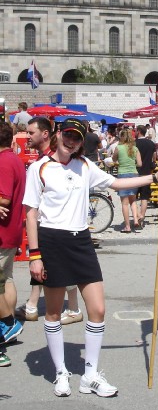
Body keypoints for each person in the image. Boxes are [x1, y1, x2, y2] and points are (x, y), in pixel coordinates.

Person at [23, 118, 158, 397]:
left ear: (82, 141)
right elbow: (31, 212)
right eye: (67, 135)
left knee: (98, 309)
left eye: (77, 138)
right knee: (53, 312)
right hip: (52, 241)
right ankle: (61, 372)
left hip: (81, 242)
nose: (71, 141)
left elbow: (116, 182)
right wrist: (35, 255)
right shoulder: (38, 168)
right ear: (57, 135)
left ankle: (90, 375)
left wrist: (153, 177)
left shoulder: (86, 166)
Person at [15, 117, 83, 325]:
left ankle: (68, 307)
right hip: (49, 228)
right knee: (43, 264)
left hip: (60, 228)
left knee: (55, 264)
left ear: (45, 134)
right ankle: (38, 304)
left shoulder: (53, 160)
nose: (27, 137)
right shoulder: (41, 161)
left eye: (31, 133)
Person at [0, 122, 26, 362]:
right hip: (12, 230)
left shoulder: (4, 162)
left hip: (3, 231)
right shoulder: (14, 159)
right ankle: (9, 328)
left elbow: (4, 199)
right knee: (6, 278)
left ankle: (7, 326)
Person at [112, 128, 142, 233]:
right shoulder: (135, 148)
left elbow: (113, 159)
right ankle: (135, 219)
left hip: (123, 174)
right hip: (134, 174)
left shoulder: (118, 147)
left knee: (124, 203)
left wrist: (119, 162)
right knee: (133, 200)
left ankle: (127, 226)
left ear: (121, 137)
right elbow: (139, 164)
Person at [135, 125, 157, 229]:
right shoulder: (151, 144)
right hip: (147, 173)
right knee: (144, 197)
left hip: (135, 173)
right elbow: (154, 158)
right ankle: (142, 217)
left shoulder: (134, 144)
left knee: (133, 198)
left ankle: (136, 217)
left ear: (138, 131)